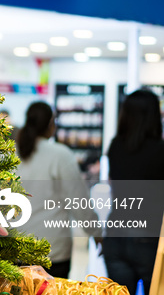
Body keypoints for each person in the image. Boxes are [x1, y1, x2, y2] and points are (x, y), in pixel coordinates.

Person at [15, 102, 101, 279]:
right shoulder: (60, 155)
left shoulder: (9, 154)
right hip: (52, 249)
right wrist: (96, 233)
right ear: (50, 125)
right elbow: (78, 201)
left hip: (14, 248)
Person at [104, 89, 164, 295]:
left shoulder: (115, 147)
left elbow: (115, 186)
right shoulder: (160, 150)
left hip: (116, 234)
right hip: (149, 237)